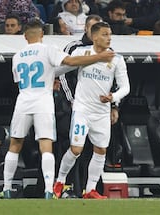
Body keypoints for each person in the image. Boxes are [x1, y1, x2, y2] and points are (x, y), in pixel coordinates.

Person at [1, 19, 115, 199]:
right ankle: (48, 190)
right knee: (46, 146)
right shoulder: (48, 49)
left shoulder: (17, 56)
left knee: (15, 145)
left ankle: (6, 188)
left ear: (24, 36)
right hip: (43, 101)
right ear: (42, 34)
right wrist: (99, 57)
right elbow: (70, 61)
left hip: (23, 100)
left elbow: (28, 77)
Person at [53, 21, 130, 199]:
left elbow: (125, 87)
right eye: (104, 34)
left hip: (102, 113)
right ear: (94, 36)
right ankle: (60, 181)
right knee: (76, 149)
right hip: (82, 109)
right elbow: (61, 70)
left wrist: (114, 97)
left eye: (110, 34)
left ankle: (90, 190)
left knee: (101, 150)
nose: (109, 38)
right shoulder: (81, 53)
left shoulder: (117, 59)